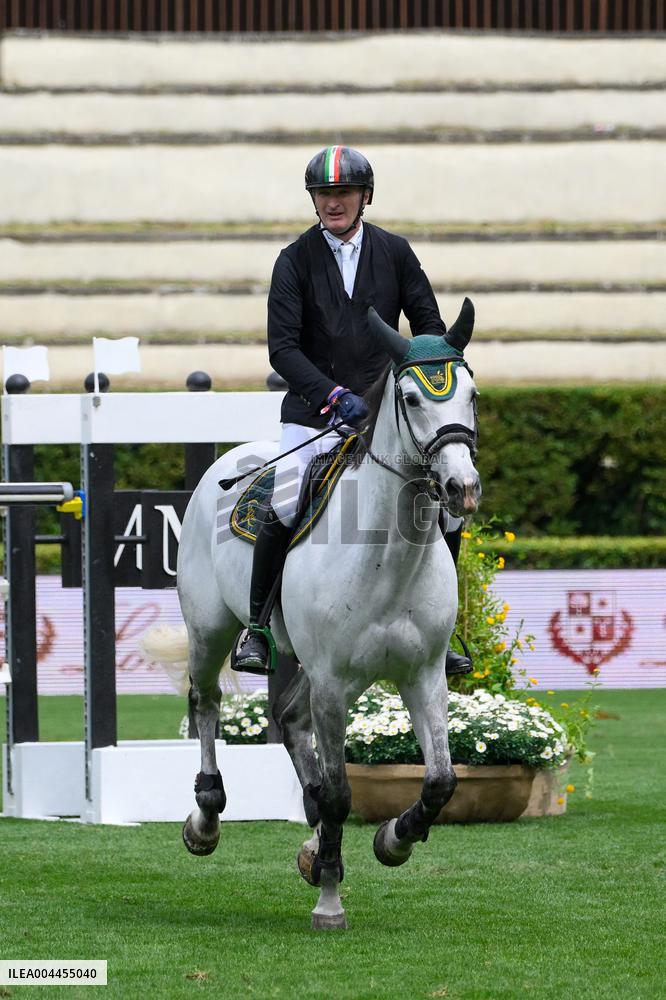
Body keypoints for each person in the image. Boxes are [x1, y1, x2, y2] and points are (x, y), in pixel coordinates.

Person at [234, 145, 471, 676]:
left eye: (341, 193)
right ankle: (256, 628)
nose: (332, 202)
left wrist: (431, 383)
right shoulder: (294, 259)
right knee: (287, 502)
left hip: (387, 416)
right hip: (316, 412)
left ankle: (447, 632)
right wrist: (332, 395)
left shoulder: (396, 252)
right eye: (323, 194)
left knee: (451, 508)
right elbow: (283, 348)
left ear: (364, 197)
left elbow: (428, 327)